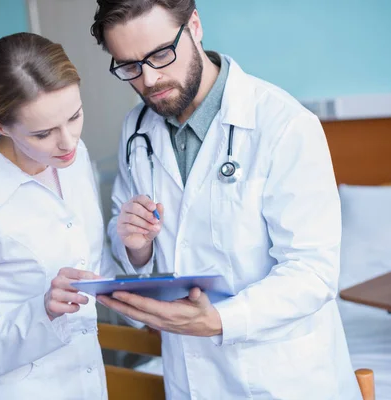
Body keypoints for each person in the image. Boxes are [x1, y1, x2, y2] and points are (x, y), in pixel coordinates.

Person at [91, 1, 361, 399]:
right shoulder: (137, 129)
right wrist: (136, 246)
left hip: (282, 379)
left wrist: (220, 319)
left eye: (161, 54)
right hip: (189, 377)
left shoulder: (283, 125)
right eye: (129, 66)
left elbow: (313, 272)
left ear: (194, 26)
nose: (149, 79)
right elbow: (125, 235)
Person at [0, 33, 108, 400]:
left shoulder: (73, 161)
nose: (68, 142)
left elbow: (94, 266)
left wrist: (132, 244)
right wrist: (41, 312)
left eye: (75, 116)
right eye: (43, 133)